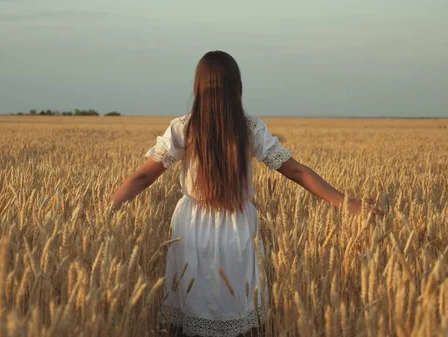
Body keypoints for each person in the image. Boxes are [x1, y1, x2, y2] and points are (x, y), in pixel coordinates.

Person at [109, 50, 383, 337]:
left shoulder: (183, 127)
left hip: (191, 227)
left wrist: (107, 208)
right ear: (237, 87)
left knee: (193, 306)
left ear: (198, 87)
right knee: (237, 308)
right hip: (238, 226)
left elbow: (143, 176)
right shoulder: (250, 128)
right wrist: (344, 202)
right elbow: (297, 171)